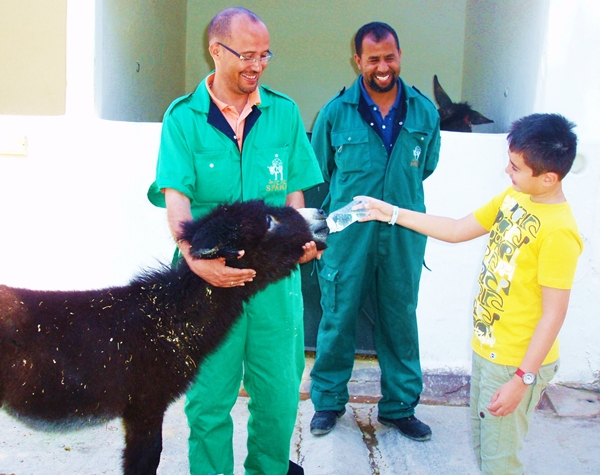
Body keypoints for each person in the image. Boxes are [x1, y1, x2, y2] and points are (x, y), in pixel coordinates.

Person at [147, 7, 323, 475]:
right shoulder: (184, 118)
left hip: (273, 286)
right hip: (205, 283)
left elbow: (294, 192)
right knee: (208, 403)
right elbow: (177, 198)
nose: (258, 65)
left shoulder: (283, 112)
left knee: (279, 398)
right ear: (215, 50)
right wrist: (192, 261)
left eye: (265, 55)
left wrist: (304, 237)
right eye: (247, 54)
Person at [356, 113, 582, 474]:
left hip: (514, 362)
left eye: (516, 167)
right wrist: (392, 213)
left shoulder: (559, 232)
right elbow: (458, 228)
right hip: (489, 352)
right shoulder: (515, 197)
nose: (508, 171)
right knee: (485, 448)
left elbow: (554, 313)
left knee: (499, 462)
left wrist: (521, 379)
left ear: (549, 177)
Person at [309, 21, 441, 441]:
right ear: (358, 61)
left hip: (402, 232)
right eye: (373, 59)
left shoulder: (424, 112)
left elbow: (429, 165)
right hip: (348, 237)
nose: (382, 67)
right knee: (337, 317)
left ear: (398, 57)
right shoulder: (335, 113)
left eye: (389, 57)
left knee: (400, 320)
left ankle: (400, 407)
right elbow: (323, 168)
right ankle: (328, 403)